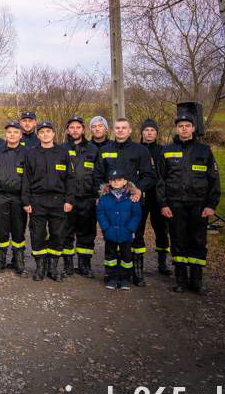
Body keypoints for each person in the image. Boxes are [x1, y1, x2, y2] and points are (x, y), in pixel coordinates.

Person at [158, 114, 220, 294]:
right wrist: (163, 204)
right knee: (177, 240)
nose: (184, 128)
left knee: (198, 241)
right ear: (177, 129)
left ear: (193, 128)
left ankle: (197, 281)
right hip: (174, 204)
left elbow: (214, 179)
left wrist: (211, 204)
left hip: (199, 206)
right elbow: (160, 180)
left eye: (187, 125)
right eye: (180, 126)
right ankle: (181, 280)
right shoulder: (167, 150)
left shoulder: (204, 150)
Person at [93, 118, 155, 287]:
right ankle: (111, 274)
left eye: (124, 128)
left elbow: (148, 175)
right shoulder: (105, 150)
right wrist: (100, 193)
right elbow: (98, 175)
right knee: (111, 238)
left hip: (132, 202)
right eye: (117, 128)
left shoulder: (140, 150)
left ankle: (136, 272)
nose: (120, 130)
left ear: (130, 130)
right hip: (110, 202)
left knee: (135, 236)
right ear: (113, 130)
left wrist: (138, 190)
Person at [22, 121, 75, 282]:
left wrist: (69, 200)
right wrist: (26, 201)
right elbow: (26, 179)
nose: (45, 134)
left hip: (58, 201)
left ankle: (52, 267)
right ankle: (40, 268)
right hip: (37, 200)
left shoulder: (63, 153)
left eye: (48, 131)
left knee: (57, 235)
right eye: (42, 132)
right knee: (37, 235)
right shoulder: (31, 153)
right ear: (38, 135)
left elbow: (70, 179)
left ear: (53, 133)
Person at [62, 116, 100, 278]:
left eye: (78, 127)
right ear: (67, 130)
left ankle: (85, 264)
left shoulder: (93, 149)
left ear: (83, 129)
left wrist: (99, 195)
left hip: (88, 198)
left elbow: (99, 175)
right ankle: (68, 264)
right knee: (66, 232)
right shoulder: (61, 149)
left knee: (87, 233)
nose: (75, 130)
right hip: (68, 199)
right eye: (72, 127)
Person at [0, 121, 28, 275]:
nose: (12, 135)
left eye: (15, 132)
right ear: (5, 135)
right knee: (1, 229)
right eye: (9, 132)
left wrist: (27, 198)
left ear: (20, 135)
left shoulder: (27, 152)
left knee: (19, 230)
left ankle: (18, 261)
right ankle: (0, 260)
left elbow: (29, 177)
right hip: (0, 196)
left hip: (19, 197)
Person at [97, 169, 141, 290]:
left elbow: (136, 215)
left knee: (126, 258)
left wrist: (130, 228)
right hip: (110, 233)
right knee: (110, 258)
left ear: (125, 182)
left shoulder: (132, 198)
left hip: (126, 234)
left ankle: (126, 279)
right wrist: (105, 228)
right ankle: (112, 278)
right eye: (113, 180)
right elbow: (100, 213)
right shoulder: (104, 198)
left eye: (119, 180)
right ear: (109, 182)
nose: (116, 182)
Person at [139, 118, 171, 276]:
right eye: (146, 130)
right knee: (137, 229)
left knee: (161, 230)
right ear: (142, 132)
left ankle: (162, 262)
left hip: (158, 197)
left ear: (156, 133)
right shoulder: (136, 149)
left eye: (152, 130)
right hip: (140, 196)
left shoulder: (163, 150)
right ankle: (136, 262)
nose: (149, 133)